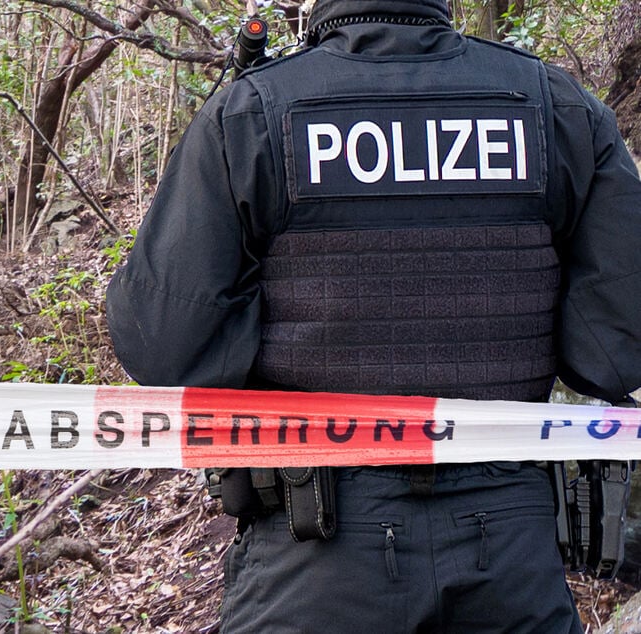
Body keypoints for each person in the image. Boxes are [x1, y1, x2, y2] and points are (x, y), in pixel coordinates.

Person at [105, 0, 641, 631]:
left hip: (316, 555)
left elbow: (163, 342)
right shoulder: (555, 105)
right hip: (511, 552)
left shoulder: (254, 111)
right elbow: (616, 347)